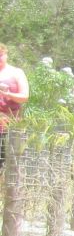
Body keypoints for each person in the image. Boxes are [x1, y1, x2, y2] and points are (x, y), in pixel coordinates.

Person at [0, 44, 28, 174]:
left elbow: (24, 96)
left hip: (11, 123)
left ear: (6, 55)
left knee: (9, 160)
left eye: (1, 55)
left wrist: (8, 94)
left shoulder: (16, 72)